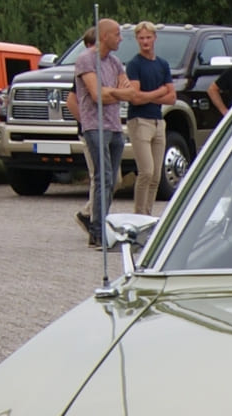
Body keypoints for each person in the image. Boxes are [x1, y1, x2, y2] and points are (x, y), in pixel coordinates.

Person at [74, 17, 130, 249]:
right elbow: (97, 95)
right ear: (105, 36)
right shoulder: (86, 60)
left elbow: (129, 90)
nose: (121, 38)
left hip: (115, 125)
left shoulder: (115, 62)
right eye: (117, 34)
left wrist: (113, 91)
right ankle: (96, 231)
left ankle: (102, 224)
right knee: (102, 177)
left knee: (112, 180)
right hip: (94, 126)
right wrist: (116, 91)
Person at [125, 21, 175, 218]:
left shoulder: (162, 64)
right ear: (137, 40)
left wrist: (152, 95)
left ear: (155, 38)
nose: (145, 41)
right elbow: (135, 97)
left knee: (156, 175)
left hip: (157, 120)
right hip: (140, 121)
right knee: (145, 171)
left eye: (148, 37)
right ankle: (138, 215)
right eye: (141, 38)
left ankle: (148, 214)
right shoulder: (135, 64)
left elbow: (172, 97)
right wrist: (160, 91)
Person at [66, 28, 96, 238]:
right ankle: (92, 219)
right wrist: (86, 122)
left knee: (113, 179)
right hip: (90, 131)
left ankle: (89, 212)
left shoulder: (107, 66)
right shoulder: (83, 69)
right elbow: (70, 100)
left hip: (108, 130)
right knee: (99, 177)